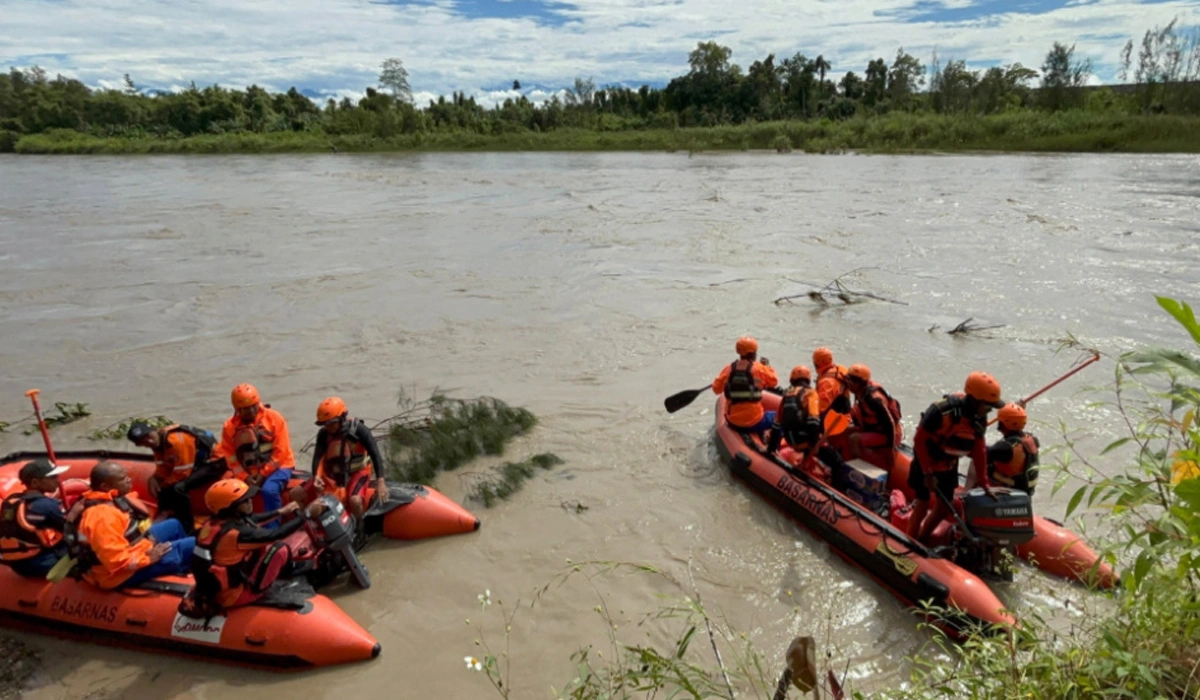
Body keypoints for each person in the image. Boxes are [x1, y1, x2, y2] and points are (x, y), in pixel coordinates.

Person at [181, 479, 321, 618]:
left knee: (263, 547)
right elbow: (276, 534)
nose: (250, 502)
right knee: (280, 548)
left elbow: (251, 519)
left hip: (220, 587)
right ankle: (274, 582)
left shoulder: (212, 524)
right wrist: (307, 514)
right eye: (245, 501)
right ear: (231, 507)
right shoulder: (236, 535)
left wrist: (280, 512)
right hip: (235, 595)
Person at [66, 461, 194, 589]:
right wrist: (149, 558)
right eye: (122, 479)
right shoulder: (102, 516)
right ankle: (183, 570)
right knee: (193, 544)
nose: (128, 480)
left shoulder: (106, 499)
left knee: (174, 525)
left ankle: (184, 567)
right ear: (105, 486)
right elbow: (115, 561)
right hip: (118, 574)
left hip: (132, 549)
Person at [906, 372, 1003, 543]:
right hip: (925, 462)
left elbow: (979, 451)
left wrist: (985, 484)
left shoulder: (979, 418)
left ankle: (922, 538)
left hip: (948, 465)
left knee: (944, 507)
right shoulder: (940, 411)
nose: (989, 411)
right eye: (987, 406)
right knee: (922, 504)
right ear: (974, 400)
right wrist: (928, 474)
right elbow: (919, 441)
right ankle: (909, 540)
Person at [289, 397, 389, 525]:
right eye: (325, 424)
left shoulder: (359, 430)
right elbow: (317, 457)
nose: (328, 427)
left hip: (357, 472)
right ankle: (305, 527)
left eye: (331, 423)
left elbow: (375, 454)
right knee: (295, 494)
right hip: (332, 476)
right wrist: (316, 477)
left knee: (355, 501)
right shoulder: (324, 434)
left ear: (342, 418)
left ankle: (360, 528)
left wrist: (381, 481)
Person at [126, 422, 222, 535]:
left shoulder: (175, 441)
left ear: (154, 430)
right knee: (163, 488)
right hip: (196, 463)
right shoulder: (157, 444)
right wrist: (155, 478)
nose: (148, 441)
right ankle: (165, 514)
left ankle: (188, 526)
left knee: (179, 488)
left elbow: (183, 473)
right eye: (143, 441)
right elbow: (162, 468)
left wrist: (165, 484)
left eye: (148, 436)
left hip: (215, 462)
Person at [214, 383, 295, 516]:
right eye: (245, 409)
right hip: (247, 472)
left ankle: (272, 526)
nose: (251, 411)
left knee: (269, 490)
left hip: (280, 466)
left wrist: (263, 474)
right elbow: (231, 458)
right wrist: (244, 477)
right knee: (227, 493)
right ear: (237, 408)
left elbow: (281, 451)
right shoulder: (229, 427)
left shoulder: (274, 419)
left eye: (253, 406)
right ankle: (241, 525)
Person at [0, 458, 70, 577]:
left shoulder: (11, 501)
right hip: (39, 563)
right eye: (52, 478)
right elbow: (69, 530)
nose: (57, 481)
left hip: (16, 563)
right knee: (83, 547)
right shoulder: (47, 505)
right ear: (35, 483)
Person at [712, 336, 779, 438]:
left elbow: (716, 389)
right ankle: (774, 446)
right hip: (754, 421)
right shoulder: (759, 369)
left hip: (732, 420)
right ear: (753, 353)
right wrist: (767, 367)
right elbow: (774, 381)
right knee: (781, 418)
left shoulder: (728, 369)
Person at [844, 364, 903, 470]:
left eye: (853, 381)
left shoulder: (874, 400)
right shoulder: (860, 392)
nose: (849, 384)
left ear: (861, 383)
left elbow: (889, 424)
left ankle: (859, 471)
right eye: (848, 379)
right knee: (846, 430)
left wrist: (889, 449)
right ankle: (846, 460)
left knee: (854, 439)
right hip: (873, 428)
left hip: (889, 434)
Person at [767, 366, 821, 462]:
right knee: (835, 458)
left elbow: (776, 425)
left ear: (792, 381)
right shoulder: (811, 393)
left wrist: (771, 449)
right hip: (805, 442)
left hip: (790, 441)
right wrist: (814, 445)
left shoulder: (787, 394)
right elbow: (813, 421)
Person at [987, 403, 1040, 496]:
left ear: (1002, 424)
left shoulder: (1005, 448)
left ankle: (967, 490)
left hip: (1006, 490)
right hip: (1025, 491)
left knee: (978, 461)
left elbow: (980, 452)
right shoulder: (1032, 439)